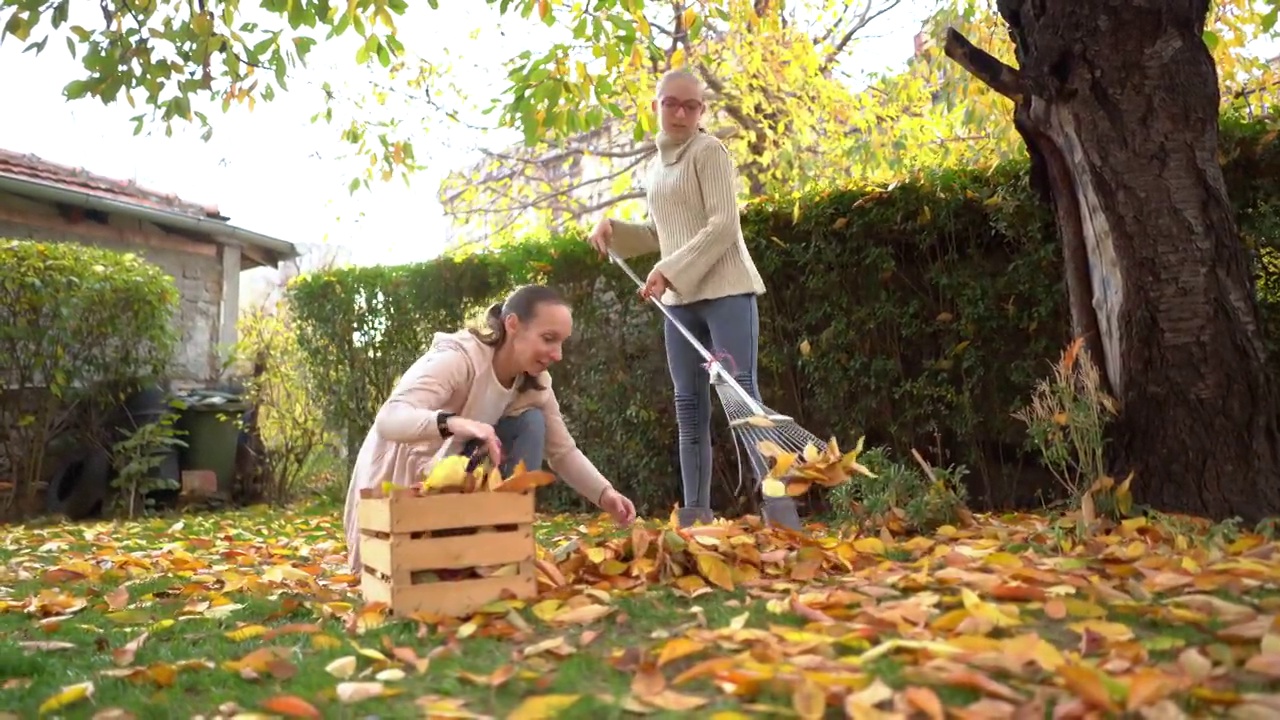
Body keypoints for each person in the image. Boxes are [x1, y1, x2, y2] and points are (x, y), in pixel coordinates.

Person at [585, 68, 803, 531]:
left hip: (725, 292)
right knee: (689, 408)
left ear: (702, 111)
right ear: (655, 107)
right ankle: (695, 520)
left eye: (691, 105)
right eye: (671, 104)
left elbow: (723, 225)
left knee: (744, 402)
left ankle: (781, 516)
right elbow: (659, 235)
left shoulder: (710, 152)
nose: (681, 113)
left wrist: (668, 270)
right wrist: (614, 230)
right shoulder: (654, 169)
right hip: (680, 302)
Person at [342, 284, 638, 571]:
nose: (558, 354)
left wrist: (605, 494)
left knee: (531, 423)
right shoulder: (458, 359)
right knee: (511, 429)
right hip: (408, 483)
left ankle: (501, 548)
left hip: (463, 478)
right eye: (548, 338)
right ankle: (445, 549)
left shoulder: (533, 385)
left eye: (562, 342)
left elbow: (563, 452)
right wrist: (456, 423)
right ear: (513, 324)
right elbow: (389, 418)